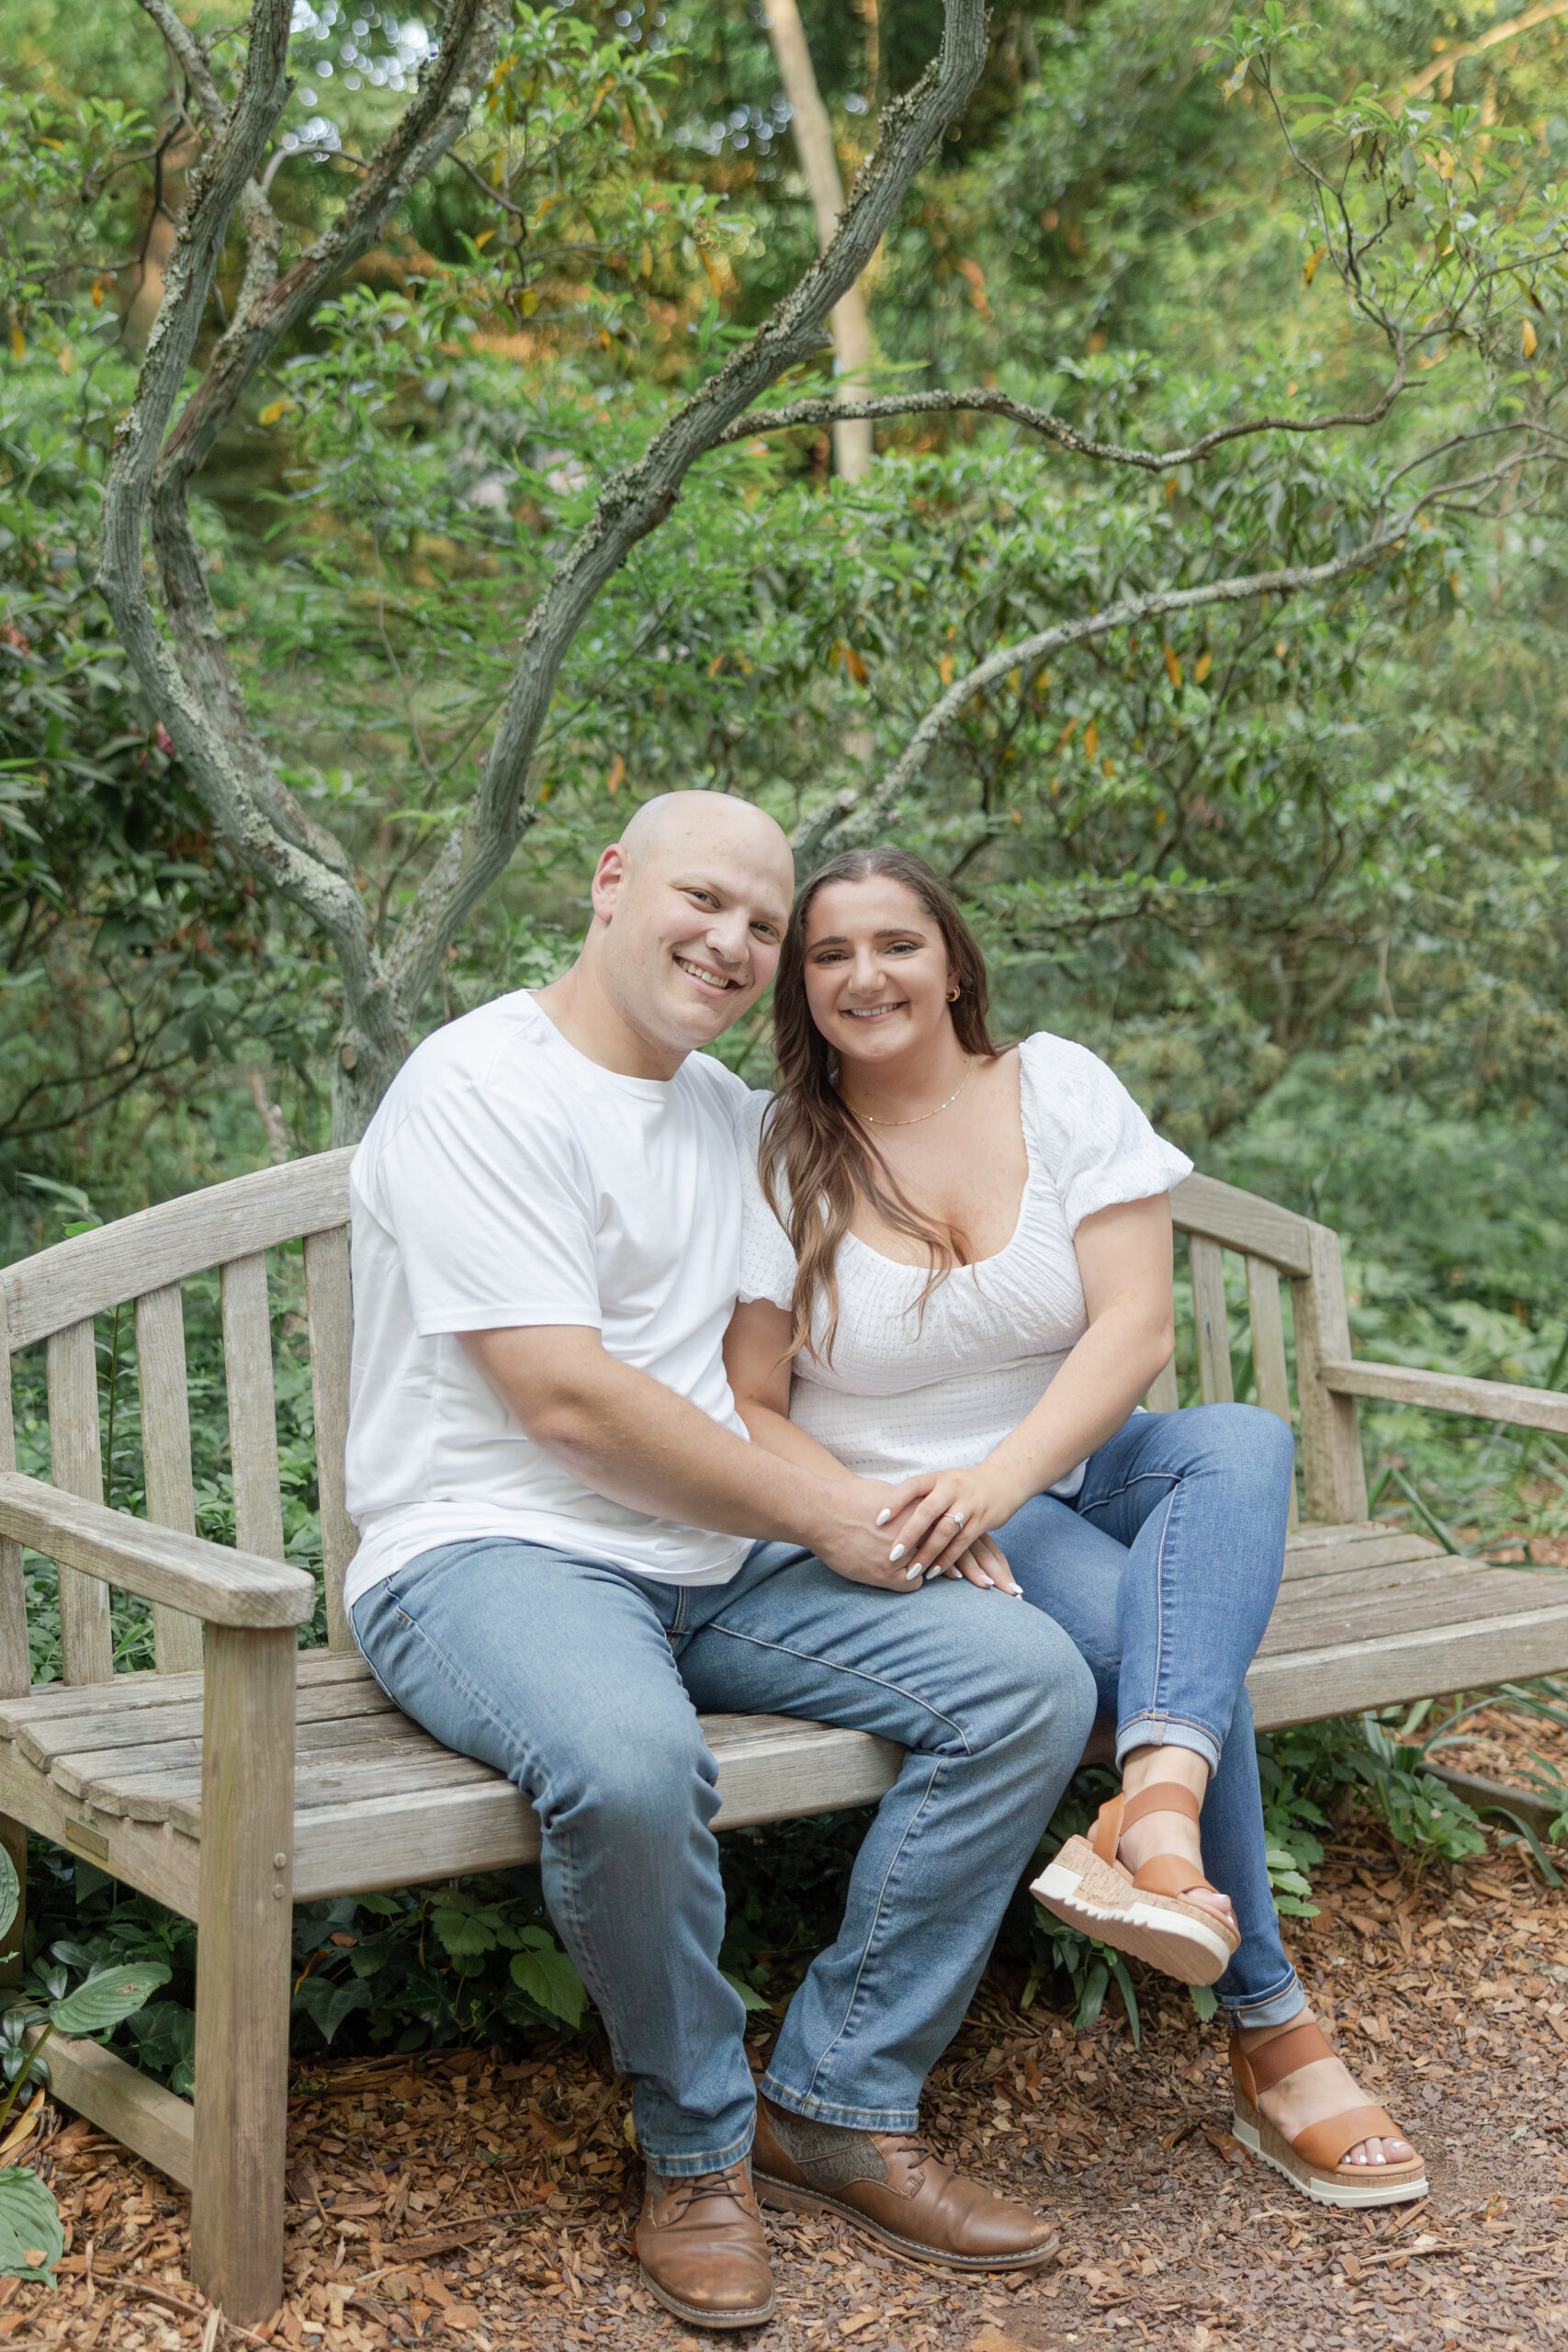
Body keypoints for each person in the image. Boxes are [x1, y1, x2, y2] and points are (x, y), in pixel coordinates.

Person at [342, 795, 1098, 2329]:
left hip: (722, 1558)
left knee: (1027, 1679)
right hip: (493, 1551)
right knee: (628, 1761)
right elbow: (562, 1398)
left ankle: (838, 2100)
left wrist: (932, 1491)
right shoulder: (480, 1085)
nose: (735, 943)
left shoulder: (727, 1117)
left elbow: (822, 1342)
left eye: (764, 926)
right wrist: (831, 1516)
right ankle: (696, 2151)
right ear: (611, 884)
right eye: (707, 900)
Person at [724, 844, 1427, 2211]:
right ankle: (1277, 2035)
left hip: (1072, 1472)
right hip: (925, 1519)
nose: (866, 974)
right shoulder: (779, 1153)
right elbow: (750, 1404)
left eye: (897, 943)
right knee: (1165, 1656)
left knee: (1244, 1438)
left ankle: (1150, 1814)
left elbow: (1137, 1329)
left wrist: (1004, 1477)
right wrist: (897, 1514)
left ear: (955, 962)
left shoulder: (1059, 1083)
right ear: (801, 991)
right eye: (828, 955)